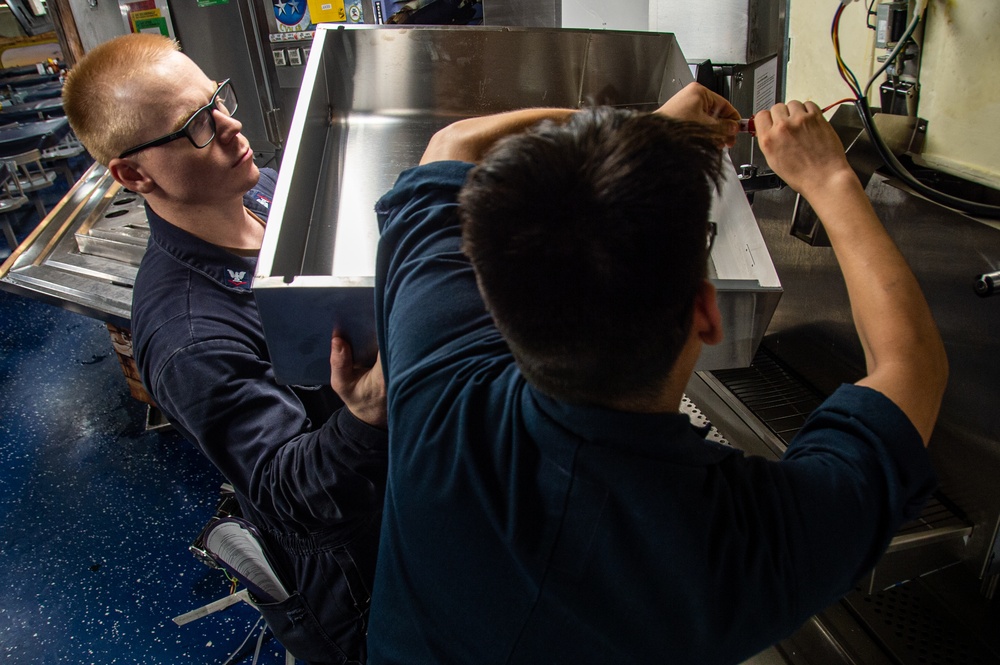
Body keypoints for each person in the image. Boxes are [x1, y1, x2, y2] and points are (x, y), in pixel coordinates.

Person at [367, 82, 947, 664]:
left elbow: (452, 143)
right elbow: (911, 363)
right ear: (706, 313)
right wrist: (828, 177)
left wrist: (649, 132)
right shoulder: (736, 552)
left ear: (493, 305)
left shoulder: (436, 385)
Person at [63, 34, 387, 665]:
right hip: (361, 576)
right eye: (196, 126)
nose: (230, 125)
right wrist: (366, 416)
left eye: (217, 99)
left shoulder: (266, 193)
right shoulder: (189, 338)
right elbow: (287, 492)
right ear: (133, 174)